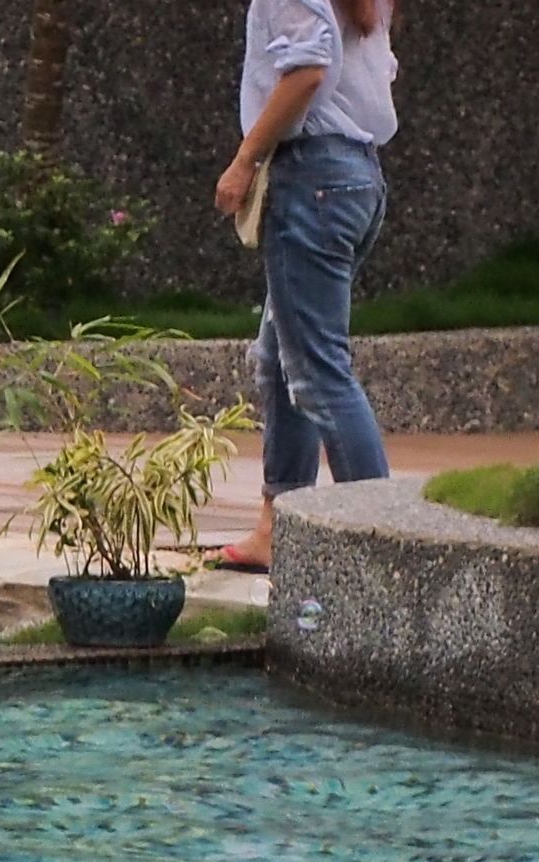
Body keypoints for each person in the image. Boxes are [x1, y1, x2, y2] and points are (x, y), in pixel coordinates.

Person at [210, 0, 398, 574]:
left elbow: (307, 72)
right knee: (279, 357)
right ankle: (278, 521)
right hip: (354, 176)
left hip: (312, 178)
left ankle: (388, 548)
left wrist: (245, 160)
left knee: (318, 372)